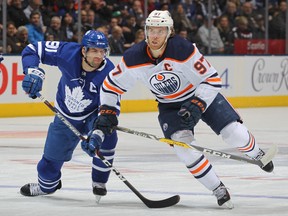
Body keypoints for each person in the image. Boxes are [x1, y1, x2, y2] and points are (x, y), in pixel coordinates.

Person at [81, 10, 274, 209]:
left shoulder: (183, 49)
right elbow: (110, 87)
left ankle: (257, 153)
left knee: (234, 134)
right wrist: (107, 113)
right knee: (185, 150)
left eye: (160, 30)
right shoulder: (133, 57)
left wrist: (198, 104)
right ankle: (218, 188)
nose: (155, 36)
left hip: (200, 95)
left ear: (169, 32)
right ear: (146, 32)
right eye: (151, 30)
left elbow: (211, 79)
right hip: (170, 106)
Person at [20, 30, 119, 202]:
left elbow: (110, 110)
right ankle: (47, 186)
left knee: (108, 137)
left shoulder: (109, 73)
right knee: (48, 165)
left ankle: (99, 182)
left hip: (92, 116)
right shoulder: (67, 52)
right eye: (94, 50)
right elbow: (32, 49)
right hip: (66, 115)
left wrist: (98, 133)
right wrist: (32, 71)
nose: (99, 55)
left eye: (102, 51)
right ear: (83, 51)